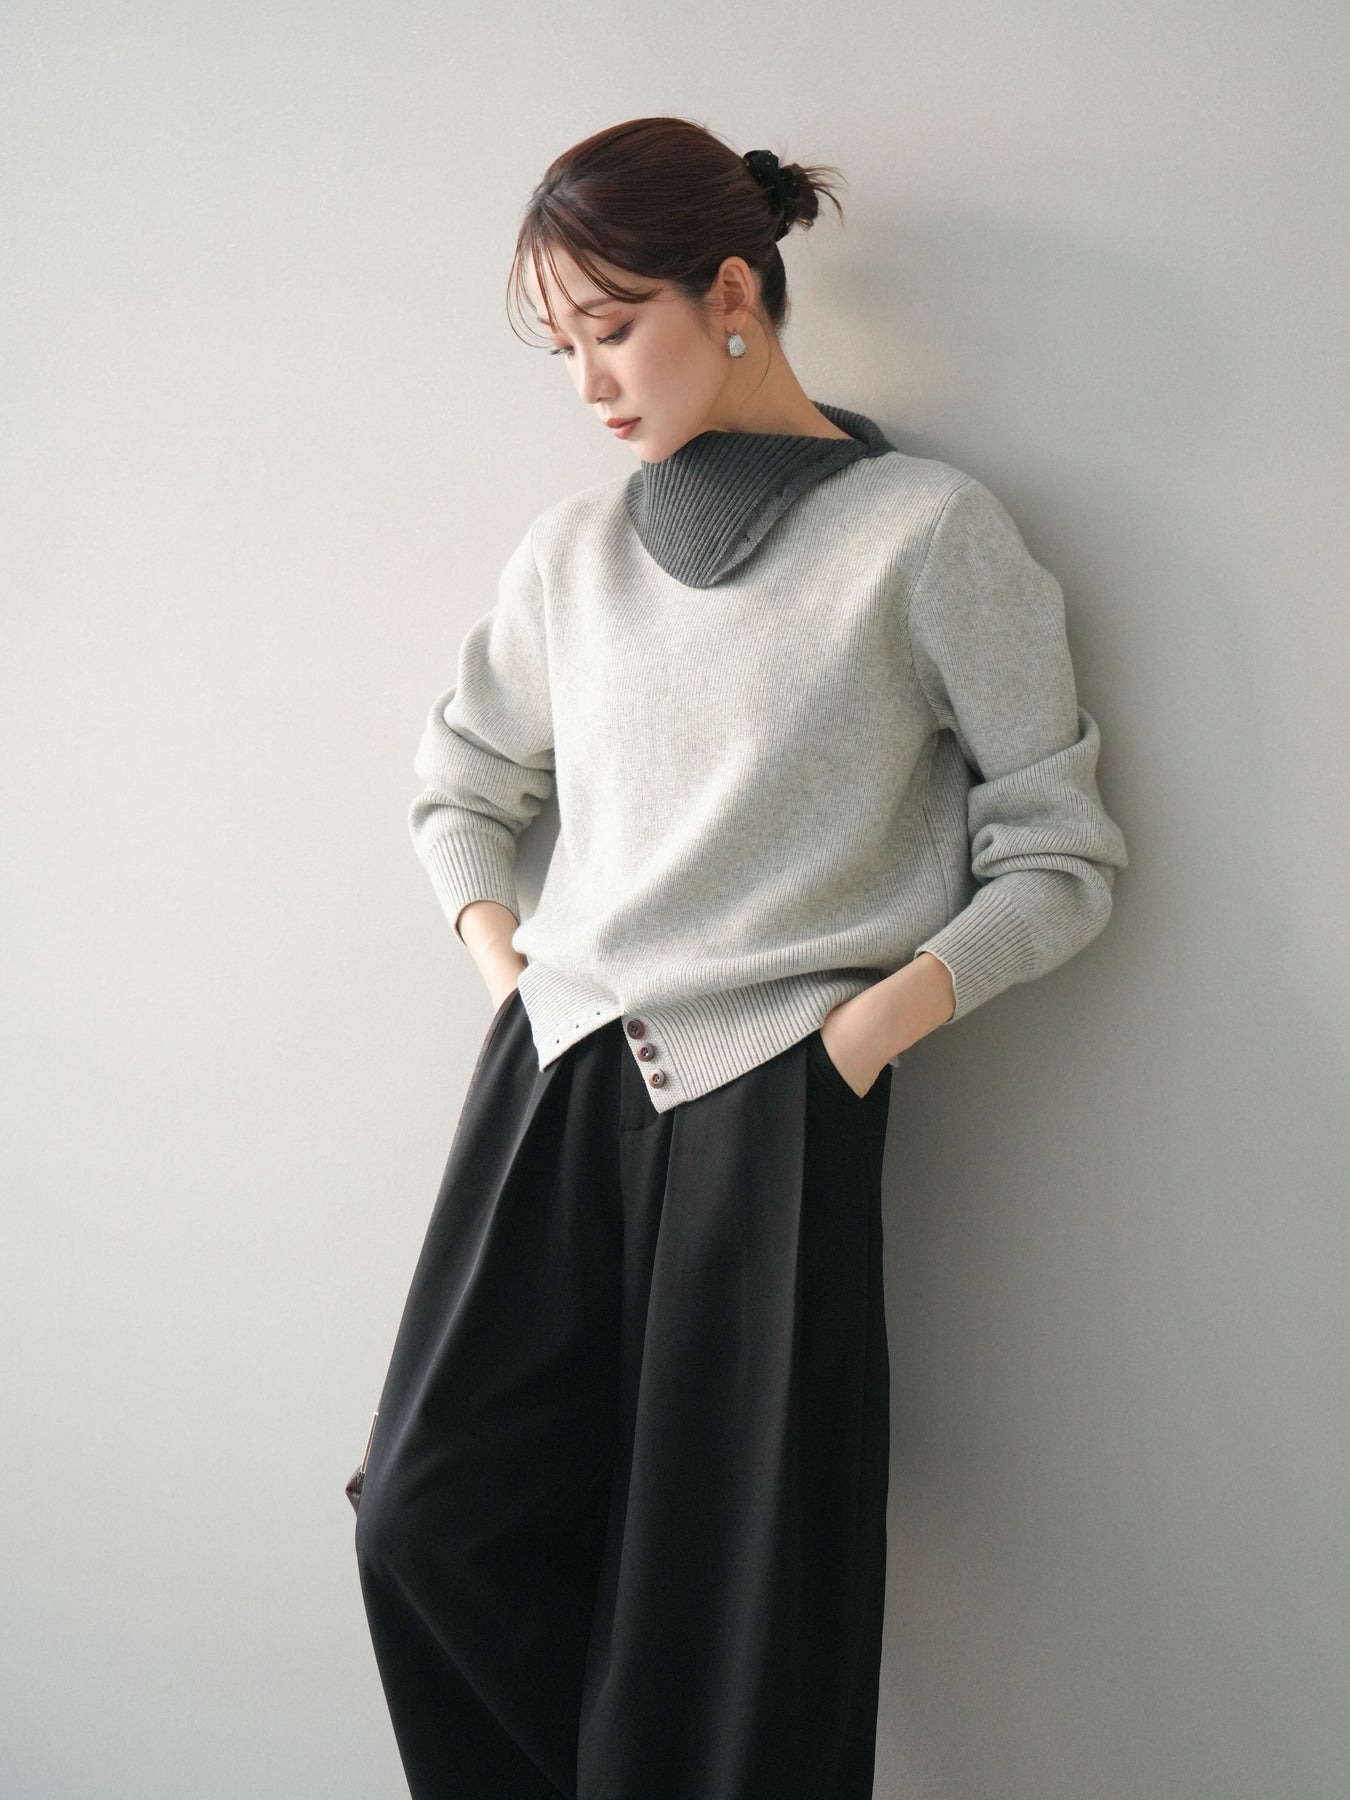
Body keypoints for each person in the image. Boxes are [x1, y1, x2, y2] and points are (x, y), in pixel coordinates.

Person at [353, 115, 1129, 1800]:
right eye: (561, 347)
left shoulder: (926, 534)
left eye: (610, 328)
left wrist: (855, 1040)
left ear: (729, 294)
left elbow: (1060, 857)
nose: (587, 385)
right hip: (556, 1077)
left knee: (726, 1599)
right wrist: (509, 977)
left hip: (774, 1100)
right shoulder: (569, 555)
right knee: (424, 1518)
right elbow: (460, 792)